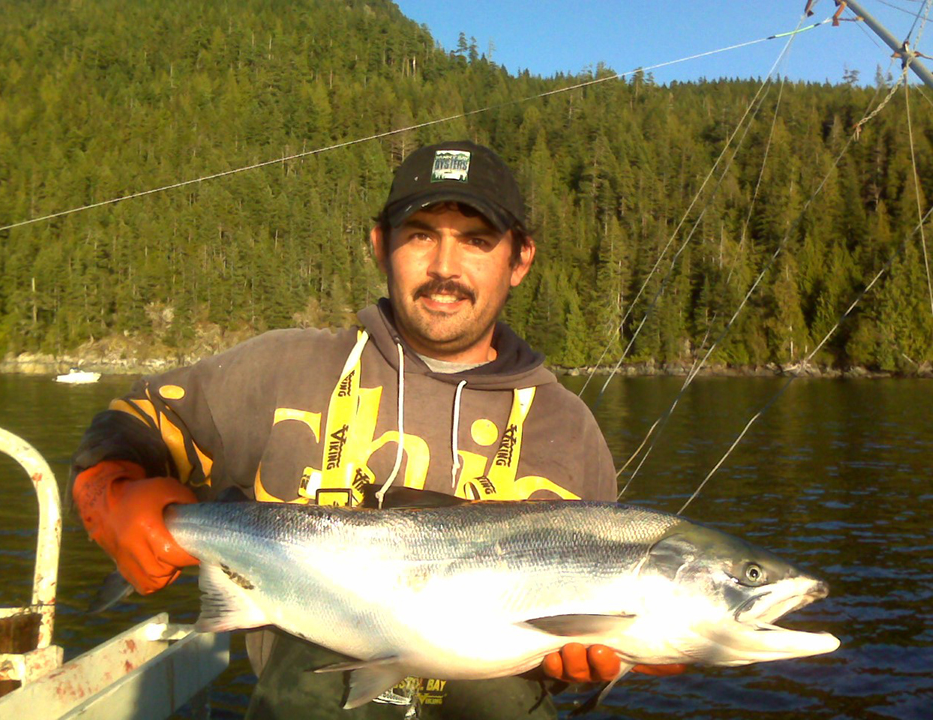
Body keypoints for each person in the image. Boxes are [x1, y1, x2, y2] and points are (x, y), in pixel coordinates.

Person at [70, 140, 677, 719]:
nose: (445, 267)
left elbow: (574, 635)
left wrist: (591, 652)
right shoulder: (280, 368)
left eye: (475, 240)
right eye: (420, 236)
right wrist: (113, 492)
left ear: (519, 259)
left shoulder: (569, 429)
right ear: (380, 245)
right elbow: (136, 422)